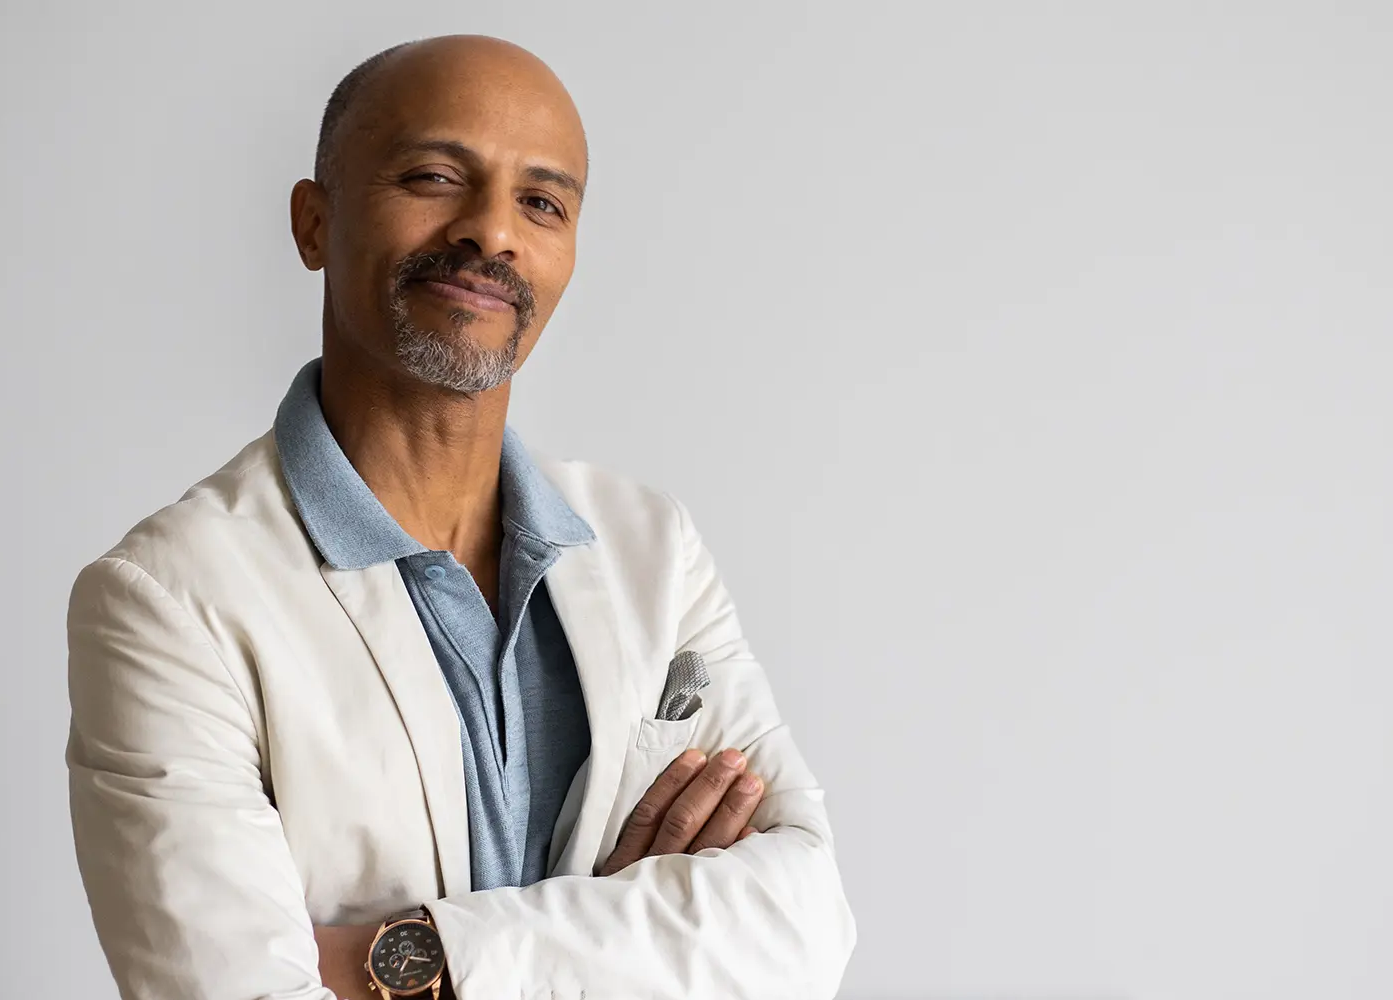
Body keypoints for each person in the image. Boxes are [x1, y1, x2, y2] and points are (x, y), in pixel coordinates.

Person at [64, 34, 855, 1000]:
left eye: (542, 202)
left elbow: (806, 923)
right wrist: (628, 935)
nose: (493, 233)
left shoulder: (652, 548)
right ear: (315, 224)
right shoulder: (170, 600)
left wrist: (412, 963)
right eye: (436, 177)